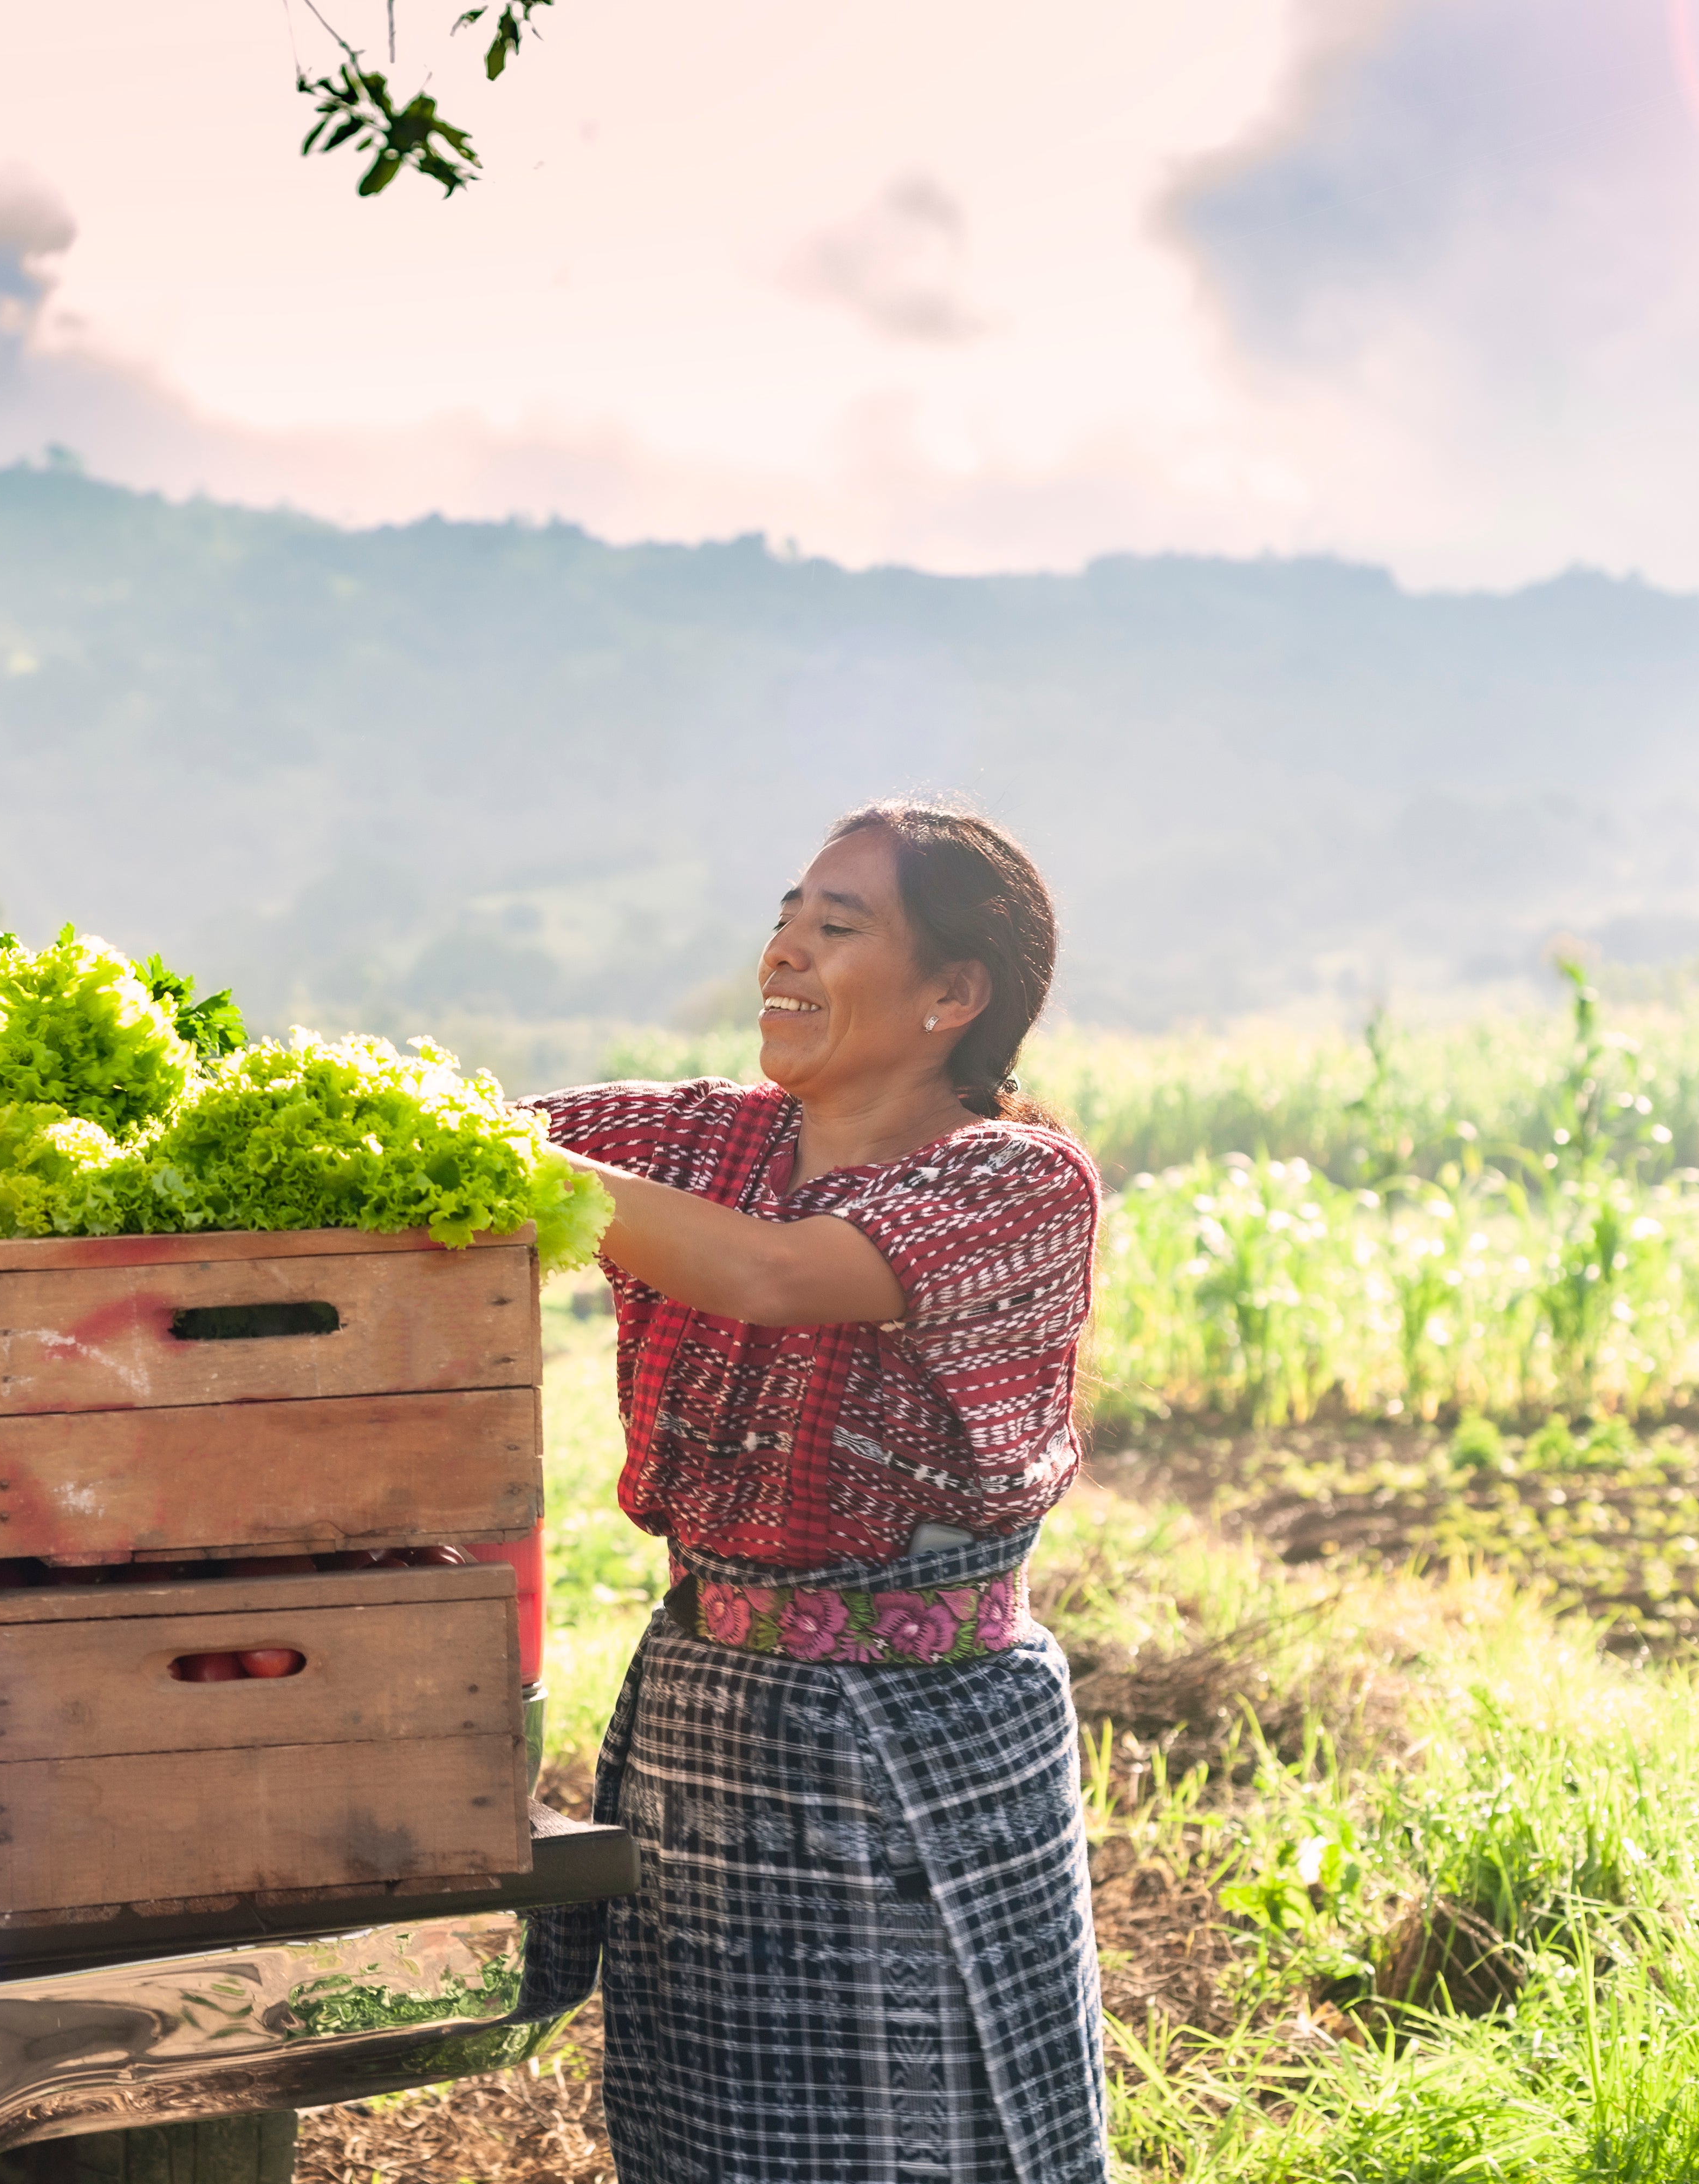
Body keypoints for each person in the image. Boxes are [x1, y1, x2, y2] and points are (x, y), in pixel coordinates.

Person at [523, 800, 1108, 2184]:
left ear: (953, 995)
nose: (785, 951)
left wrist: (507, 1166)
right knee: (711, 2140)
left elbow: (773, 1277)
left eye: (836, 928)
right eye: (784, 917)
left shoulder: (1015, 1180)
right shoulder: (704, 1141)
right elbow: (467, 1135)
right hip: (709, 1722)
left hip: (917, 1749)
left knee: (931, 2140)